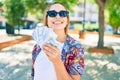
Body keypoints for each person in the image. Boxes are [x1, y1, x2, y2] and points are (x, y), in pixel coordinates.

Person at [31, 2, 84, 80]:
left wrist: (57, 61)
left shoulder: (75, 48)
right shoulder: (38, 46)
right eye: (52, 14)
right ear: (47, 18)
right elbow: (34, 75)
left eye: (62, 13)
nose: (58, 16)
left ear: (67, 19)